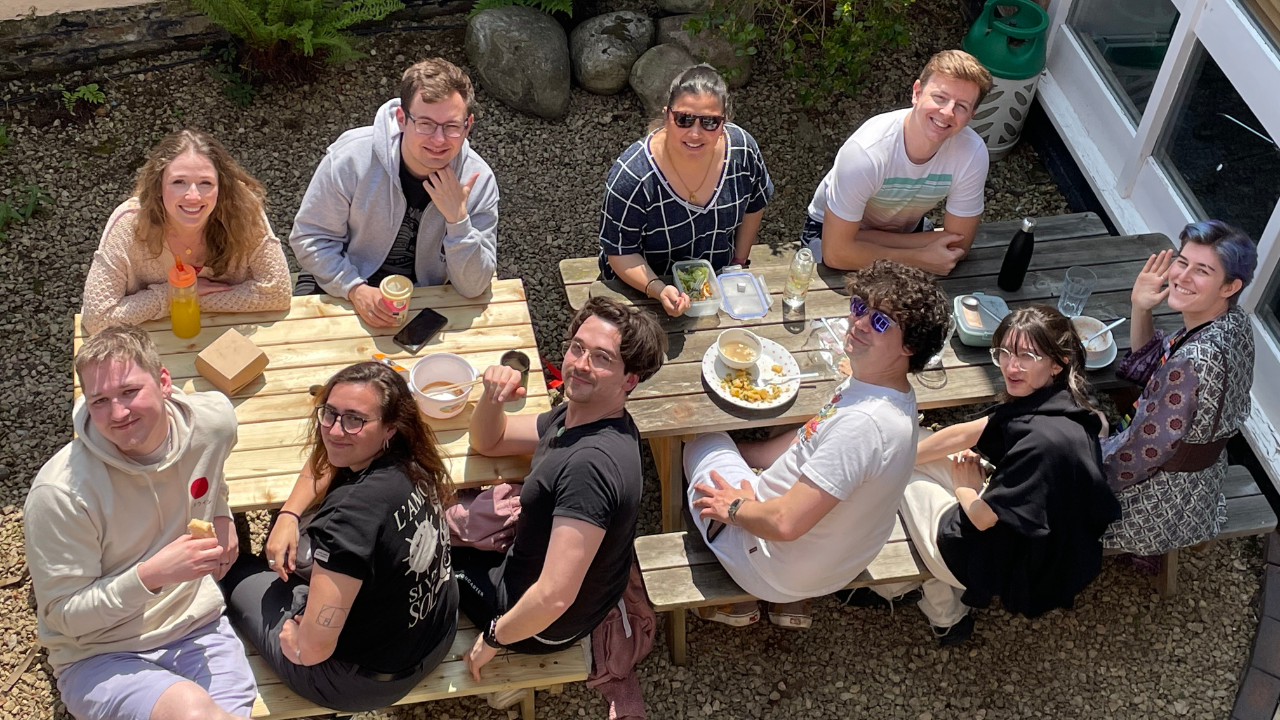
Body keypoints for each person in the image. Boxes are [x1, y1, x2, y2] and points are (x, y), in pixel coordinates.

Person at [685, 260, 951, 629]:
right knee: (738, 446)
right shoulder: (890, 395)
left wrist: (736, 506)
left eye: (880, 322)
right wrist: (748, 455)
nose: (858, 323)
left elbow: (785, 522)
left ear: (911, 345)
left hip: (772, 567)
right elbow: (810, 436)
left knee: (700, 441)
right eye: (860, 307)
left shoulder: (861, 426)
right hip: (837, 564)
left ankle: (731, 600)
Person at [24, 325, 254, 720]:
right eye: (99, 400)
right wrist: (149, 576)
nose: (118, 414)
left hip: (197, 625)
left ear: (164, 381)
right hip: (101, 653)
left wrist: (219, 509)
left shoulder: (213, 423)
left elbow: (211, 465)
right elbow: (63, 616)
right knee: (194, 713)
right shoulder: (61, 494)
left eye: (130, 392)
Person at [873, 306, 1121, 646]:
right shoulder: (1063, 402)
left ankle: (895, 589)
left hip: (1005, 558)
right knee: (908, 455)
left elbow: (983, 519)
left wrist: (965, 488)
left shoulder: (1039, 444)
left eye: (1025, 355)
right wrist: (897, 457)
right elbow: (969, 433)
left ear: (1058, 361)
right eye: (1003, 352)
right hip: (1045, 539)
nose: (1010, 365)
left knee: (904, 480)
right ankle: (942, 612)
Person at [219, 362, 458, 712]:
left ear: (389, 427)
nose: (334, 430)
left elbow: (313, 650)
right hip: (437, 631)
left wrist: (295, 638)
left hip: (361, 681)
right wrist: (287, 514)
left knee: (237, 572)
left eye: (354, 420)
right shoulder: (412, 458)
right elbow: (330, 454)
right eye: (329, 413)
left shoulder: (347, 521)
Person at [458, 297, 666, 680]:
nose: (581, 365)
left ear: (630, 379)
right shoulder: (582, 413)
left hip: (543, 625)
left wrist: (494, 637)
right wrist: (492, 397)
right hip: (572, 592)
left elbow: (554, 595)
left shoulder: (590, 466)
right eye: (577, 348)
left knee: (432, 548)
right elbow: (490, 441)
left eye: (602, 358)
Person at [290, 57, 498, 324]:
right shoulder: (351, 159)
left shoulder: (478, 181)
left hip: (424, 295)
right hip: (344, 277)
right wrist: (354, 289)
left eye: (451, 127)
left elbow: (474, 286)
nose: (438, 139)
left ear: (468, 125)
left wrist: (458, 220)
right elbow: (310, 237)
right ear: (402, 119)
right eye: (425, 123)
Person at [1102, 221, 1258, 556]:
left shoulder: (1194, 362)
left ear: (1229, 286)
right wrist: (1141, 307)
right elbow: (1154, 369)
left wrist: (1089, 462)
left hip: (1160, 506)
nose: (1182, 277)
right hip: (1203, 483)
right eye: (1182, 262)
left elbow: (1140, 455)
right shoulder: (1234, 322)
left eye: (1202, 270)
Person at [598, 65, 774, 316]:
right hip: (644, 288)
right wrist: (659, 289)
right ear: (667, 116)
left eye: (710, 122)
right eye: (684, 119)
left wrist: (738, 264)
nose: (695, 132)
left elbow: (755, 204)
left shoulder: (743, 151)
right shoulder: (633, 175)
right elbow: (620, 252)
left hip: (716, 282)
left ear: (724, 123)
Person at [802, 50, 992, 275]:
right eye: (940, 97)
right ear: (917, 93)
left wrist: (863, 241)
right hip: (827, 232)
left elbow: (957, 245)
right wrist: (919, 258)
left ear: (972, 114)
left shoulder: (972, 153)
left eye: (961, 106)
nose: (947, 112)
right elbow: (836, 253)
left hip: (899, 233)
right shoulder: (866, 152)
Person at [80, 129, 291, 334]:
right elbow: (97, 319)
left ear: (221, 187)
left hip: (228, 340)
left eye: (205, 183)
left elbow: (277, 292)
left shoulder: (244, 213)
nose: (193, 196)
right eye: (179, 182)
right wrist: (171, 295)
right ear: (158, 187)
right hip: (148, 347)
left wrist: (192, 297)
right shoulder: (128, 225)